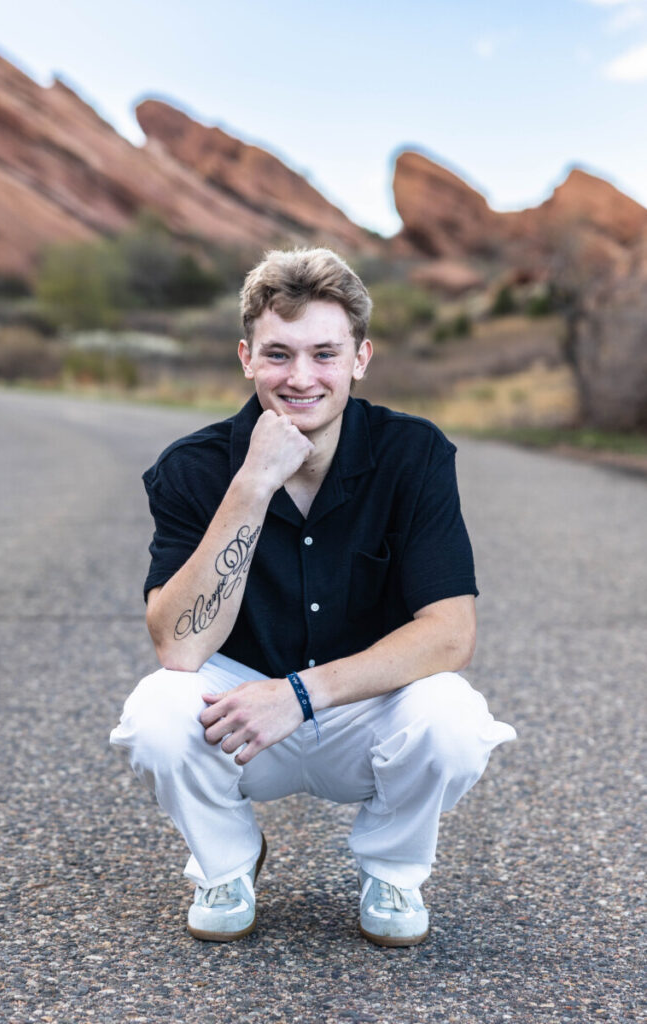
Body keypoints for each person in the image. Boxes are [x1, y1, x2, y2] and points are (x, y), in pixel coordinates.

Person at [110, 246, 516, 947]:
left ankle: (392, 870)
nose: (300, 378)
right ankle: (226, 863)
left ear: (360, 357)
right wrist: (251, 486)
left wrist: (297, 694)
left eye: (324, 354)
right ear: (245, 357)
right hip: (237, 717)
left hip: (358, 706)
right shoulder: (192, 469)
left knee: (451, 717)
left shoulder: (412, 454)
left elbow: (450, 633)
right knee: (155, 713)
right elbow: (178, 646)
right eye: (278, 355)